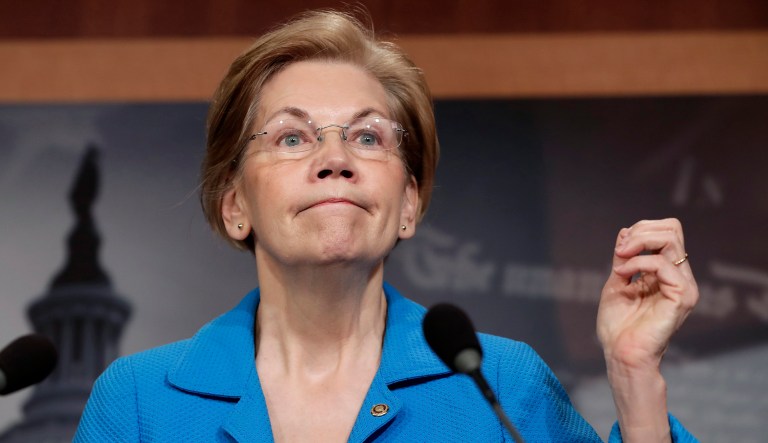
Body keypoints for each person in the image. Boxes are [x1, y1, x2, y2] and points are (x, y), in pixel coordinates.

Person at [75, 9, 699, 443]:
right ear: (233, 204)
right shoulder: (138, 403)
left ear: (409, 203)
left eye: (368, 136)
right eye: (292, 136)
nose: (335, 160)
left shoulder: (503, 383)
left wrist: (633, 374)